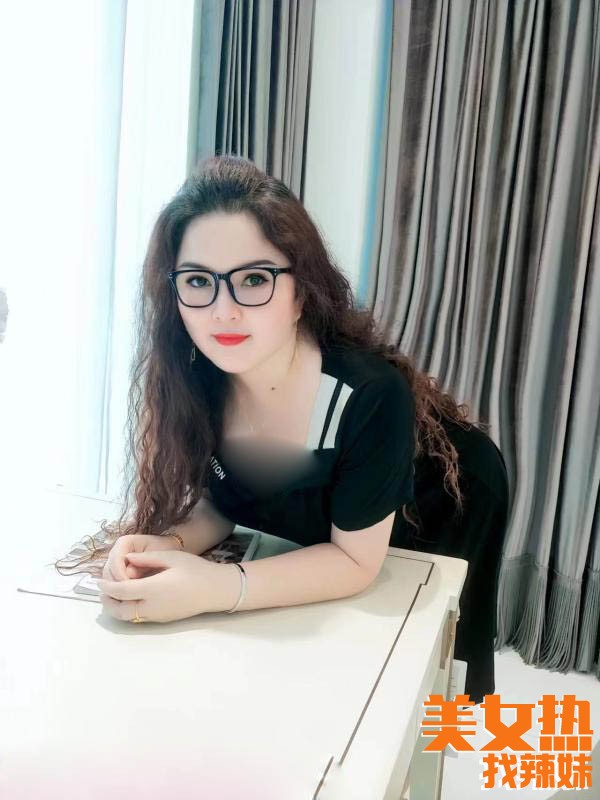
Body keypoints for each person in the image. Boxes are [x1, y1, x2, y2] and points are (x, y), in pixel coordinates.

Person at [55, 154, 509, 704]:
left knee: (410, 680)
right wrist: (164, 544)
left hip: (439, 503)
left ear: (300, 293)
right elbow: (229, 496)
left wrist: (216, 587)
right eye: (197, 281)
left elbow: (355, 560)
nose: (223, 311)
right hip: (339, 528)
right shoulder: (200, 376)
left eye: (253, 279)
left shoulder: (365, 395)